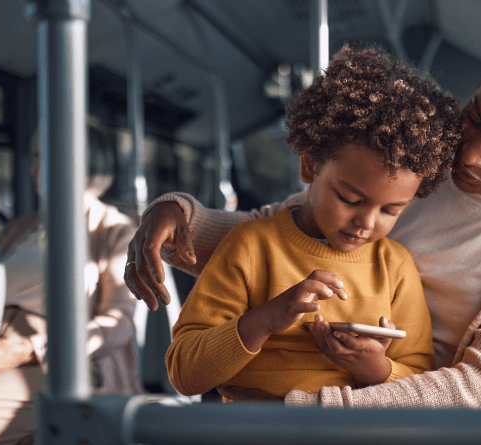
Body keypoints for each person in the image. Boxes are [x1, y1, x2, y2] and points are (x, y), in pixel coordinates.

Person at [126, 25, 481, 408]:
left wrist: (298, 408)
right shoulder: (416, 155)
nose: (471, 154)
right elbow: (277, 237)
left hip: (420, 419)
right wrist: (178, 216)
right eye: (474, 115)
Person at [166, 46, 460, 398]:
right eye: (350, 199)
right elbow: (184, 374)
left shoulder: (395, 268)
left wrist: (373, 367)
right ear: (310, 165)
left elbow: (419, 385)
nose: (365, 223)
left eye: (390, 211)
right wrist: (265, 320)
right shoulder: (250, 246)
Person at [0, 127, 141, 445]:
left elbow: (118, 324)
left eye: (45, 156)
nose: (36, 167)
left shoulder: (114, 231)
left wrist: (27, 349)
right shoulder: (19, 229)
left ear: (84, 160)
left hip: (66, 358)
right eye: (34, 156)